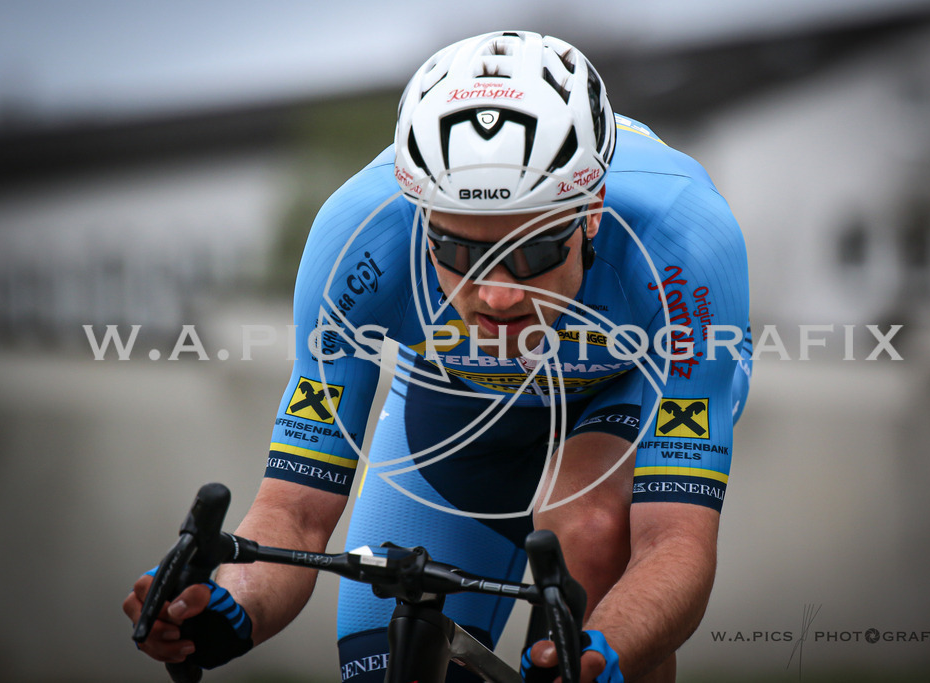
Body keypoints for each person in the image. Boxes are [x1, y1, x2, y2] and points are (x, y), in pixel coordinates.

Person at [123, 30, 752, 683]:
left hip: (625, 385)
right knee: (392, 665)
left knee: (587, 528)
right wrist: (225, 606)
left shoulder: (682, 238)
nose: (497, 293)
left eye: (533, 250)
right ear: (419, 218)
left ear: (589, 212)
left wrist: (605, 651)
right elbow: (296, 510)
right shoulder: (358, 243)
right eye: (459, 252)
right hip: (461, 397)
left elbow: (674, 540)